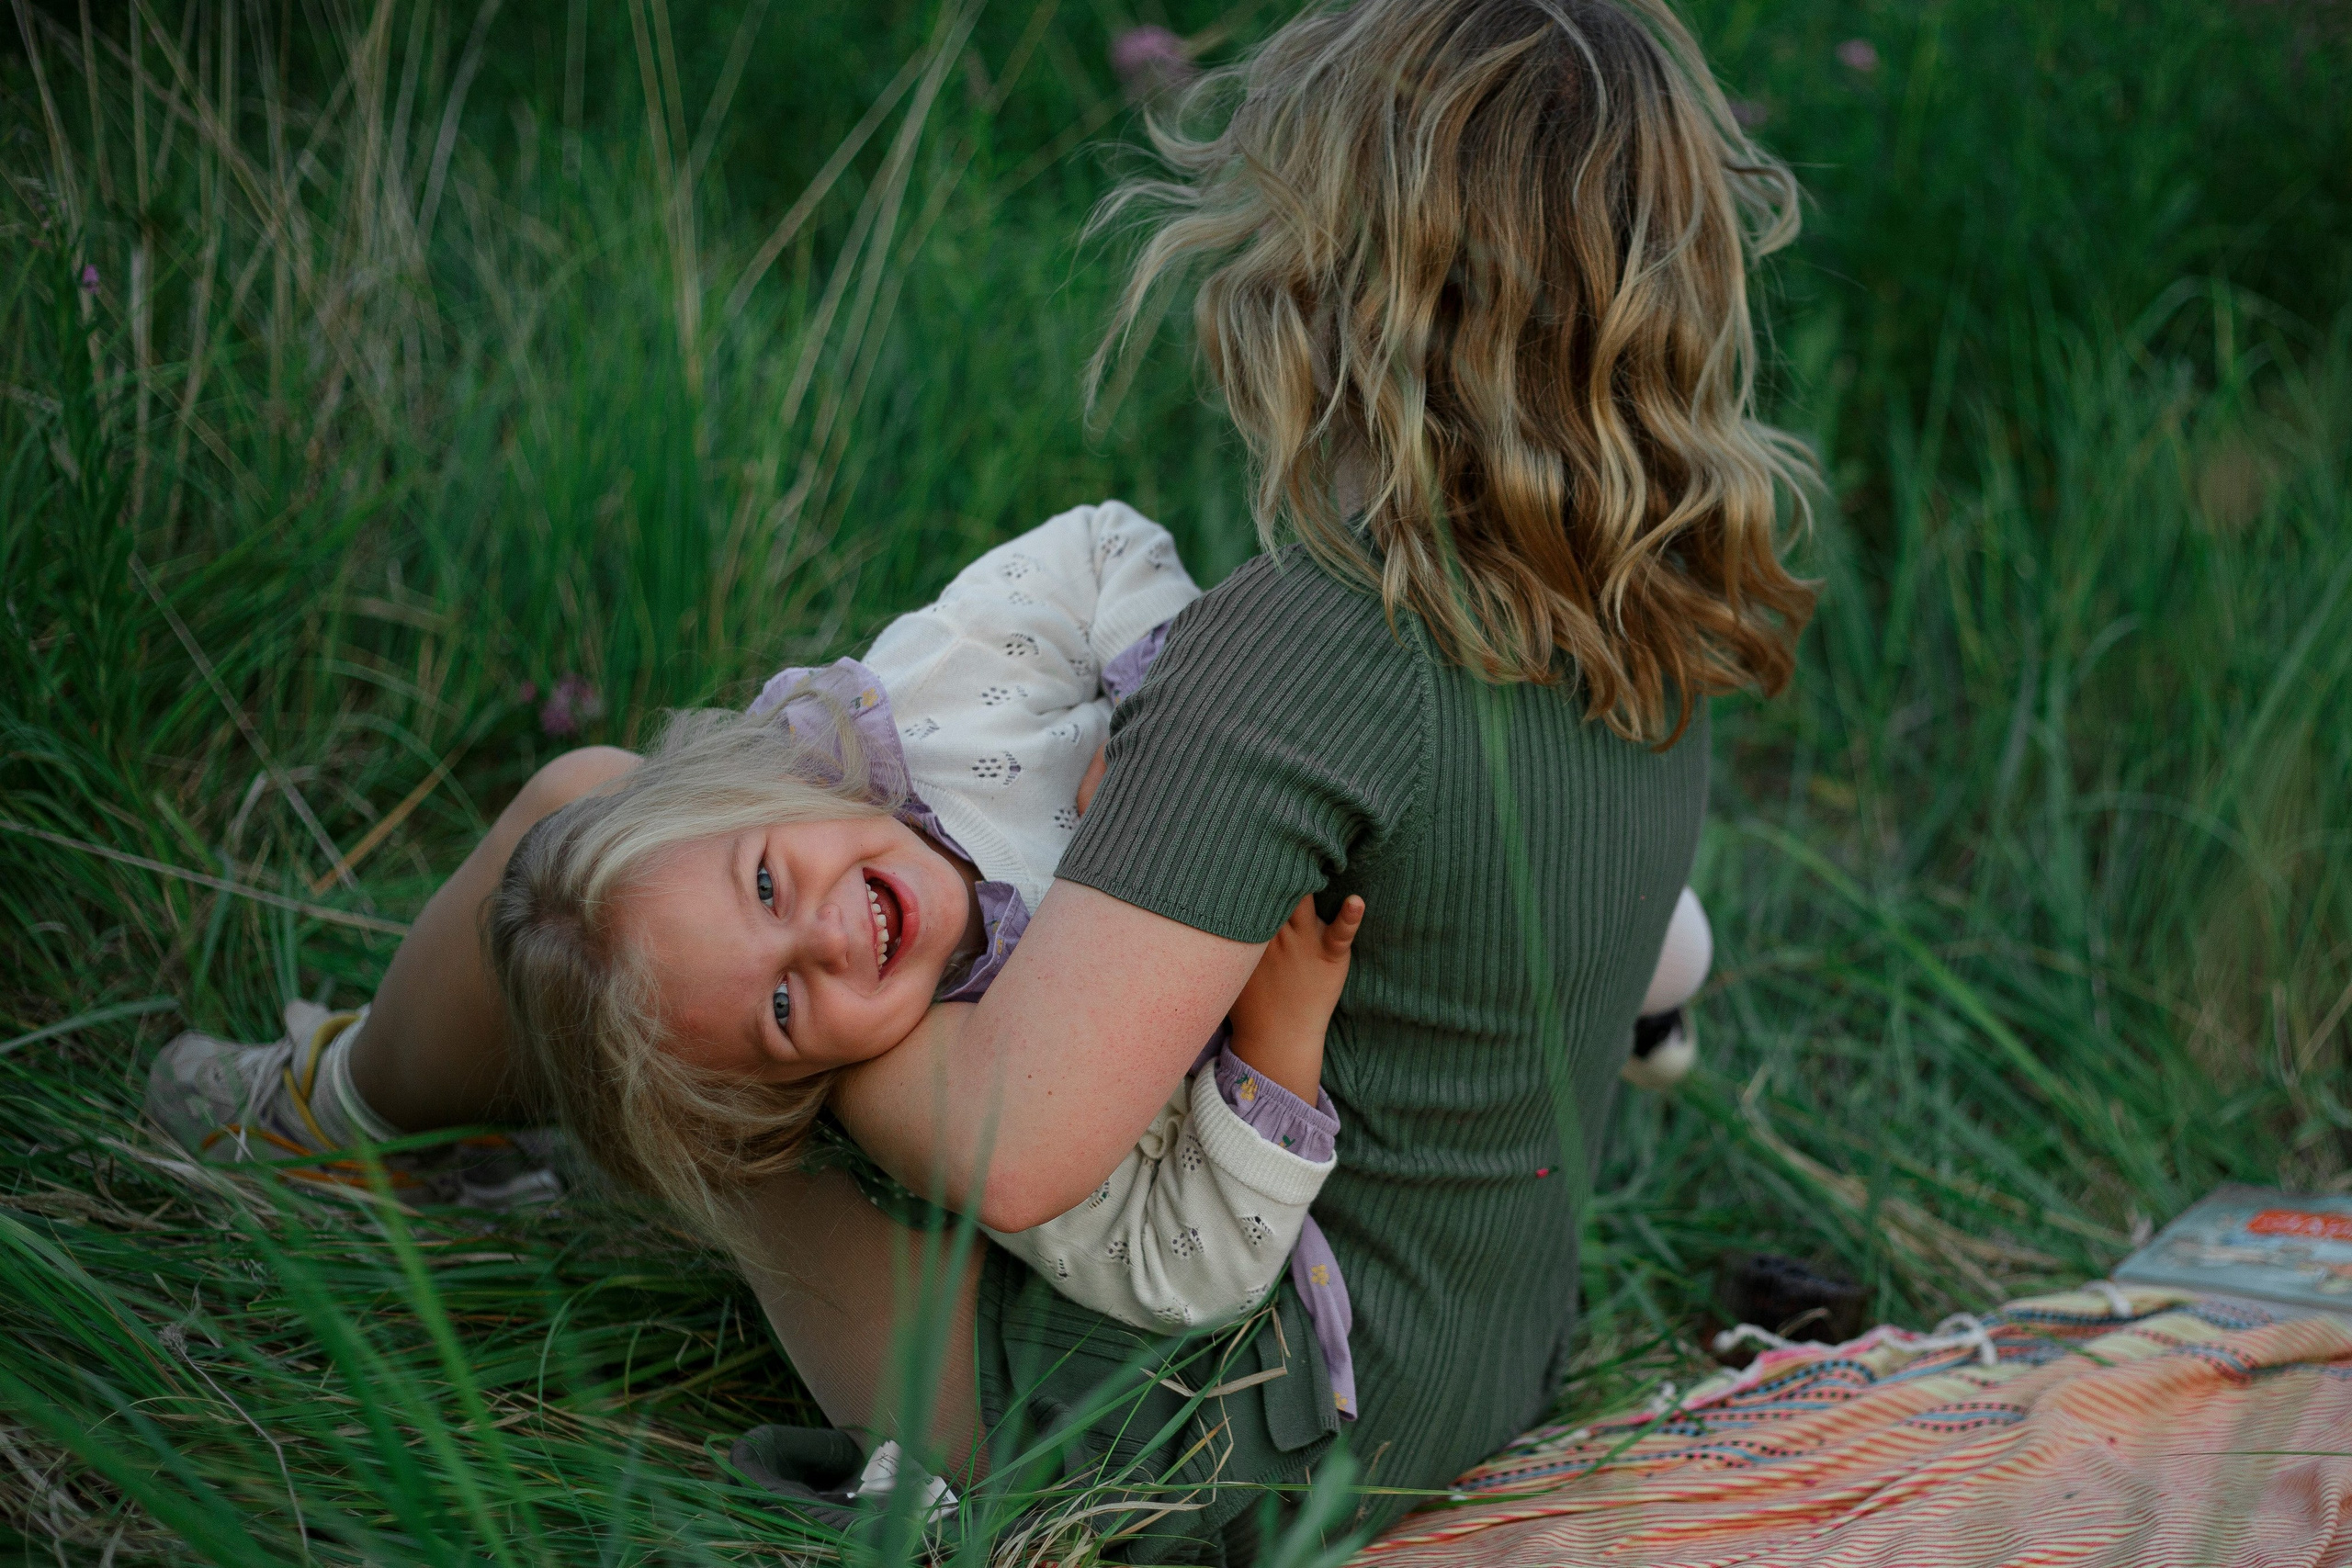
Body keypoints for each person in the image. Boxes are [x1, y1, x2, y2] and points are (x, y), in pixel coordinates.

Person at [153, 0, 1814, 1555]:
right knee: (662, 882)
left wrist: (738, 1014)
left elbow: (1021, 1150)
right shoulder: (1647, 607)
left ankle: (339, 1119)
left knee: (603, 868)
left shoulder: (1315, 646)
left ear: (1335, 265)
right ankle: (408, 1105)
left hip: (1216, 1435)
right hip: (1467, 1359)